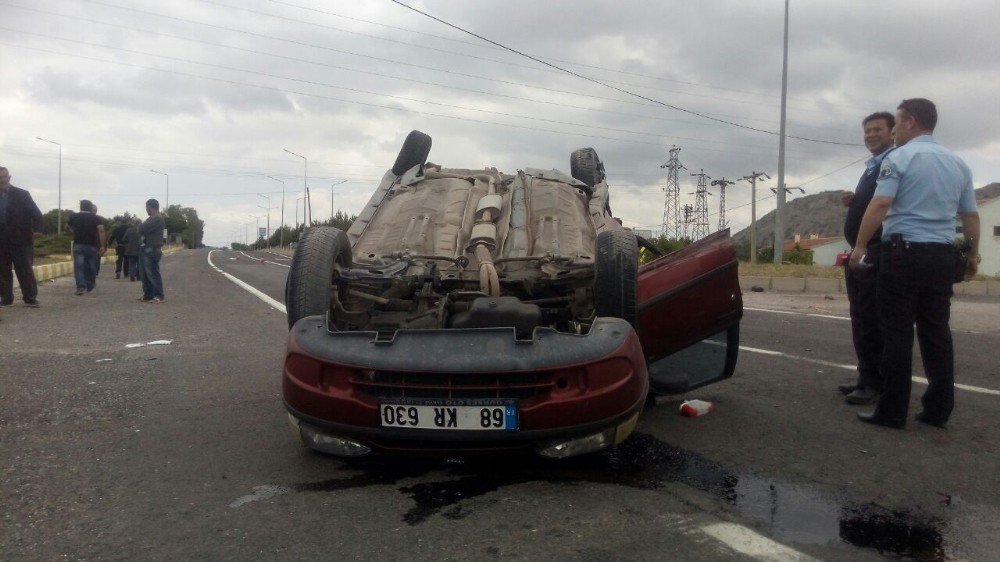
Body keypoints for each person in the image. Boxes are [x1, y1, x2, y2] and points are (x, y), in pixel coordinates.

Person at [849, 98, 980, 429]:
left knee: (897, 333)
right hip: (941, 255)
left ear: (909, 123)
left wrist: (861, 246)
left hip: (903, 254)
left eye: (896, 123)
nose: (893, 130)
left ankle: (893, 411)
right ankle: (938, 409)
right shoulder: (958, 163)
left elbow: (881, 203)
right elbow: (970, 215)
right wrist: (973, 254)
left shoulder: (899, 157)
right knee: (937, 332)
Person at [837, 111, 895, 405]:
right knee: (860, 317)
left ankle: (875, 383)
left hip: (876, 251)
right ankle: (866, 376)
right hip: (863, 253)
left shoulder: (892, 162)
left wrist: (861, 246)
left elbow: (885, 204)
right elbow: (872, 203)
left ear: (893, 132)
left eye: (877, 130)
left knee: (872, 319)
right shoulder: (873, 166)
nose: (871, 135)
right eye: (867, 131)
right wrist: (854, 201)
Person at [0, 166, 43, 307]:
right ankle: (6, 298)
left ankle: (30, 298)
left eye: (4, 176)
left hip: (21, 238)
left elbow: (36, 214)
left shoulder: (22, 194)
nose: (2, 180)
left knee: (24, 269)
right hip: (1, 240)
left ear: (9, 177)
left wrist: (37, 230)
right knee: (2, 270)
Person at [68, 199, 106, 295]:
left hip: (78, 245)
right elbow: (101, 231)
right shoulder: (96, 218)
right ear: (90, 207)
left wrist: (72, 232)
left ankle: (81, 286)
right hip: (92, 246)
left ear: (80, 206)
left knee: (79, 267)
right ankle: (90, 283)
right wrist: (103, 245)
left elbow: (66, 227)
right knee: (92, 266)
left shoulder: (74, 216)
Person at [138, 198, 166, 303]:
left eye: (146, 207)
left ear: (151, 206)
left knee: (152, 273)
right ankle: (148, 294)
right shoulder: (152, 218)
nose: (146, 209)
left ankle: (158, 295)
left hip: (152, 248)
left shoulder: (156, 218)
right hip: (146, 248)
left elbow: (141, 229)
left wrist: (140, 225)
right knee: (144, 274)